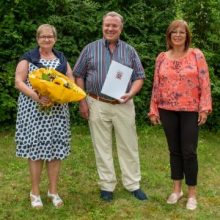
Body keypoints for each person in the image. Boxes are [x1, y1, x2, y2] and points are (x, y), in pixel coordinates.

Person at [73, 11, 147, 202]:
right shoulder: (90, 49)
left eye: (114, 26)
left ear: (121, 28)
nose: (110, 28)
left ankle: (133, 184)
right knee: (101, 146)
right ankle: (107, 185)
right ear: (102, 26)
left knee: (129, 145)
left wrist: (131, 93)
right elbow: (78, 74)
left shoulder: (130, 51)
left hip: (123, 105)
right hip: (96, 103)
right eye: (107, 25)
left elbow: (139, 77)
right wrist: (82, 101)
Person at [148, 20, 212, 210]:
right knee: (174, 150)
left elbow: (205, 82)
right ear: (169, 36)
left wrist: (204, 108)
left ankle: (192, 193)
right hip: (167, 109)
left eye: (181, 32)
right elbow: (156, 84)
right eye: (174, 32)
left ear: (186, 36)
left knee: (189, 152)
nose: (177, 35)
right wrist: (154, 108)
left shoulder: (196, 55)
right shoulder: (161, 57)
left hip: (190, 110)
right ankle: (177, 190)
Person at [15, 24, 74, 208]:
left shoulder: (61, 59)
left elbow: (70, 81)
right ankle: (35, 192)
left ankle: (53, 191)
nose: (47, 39)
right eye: (43, 37)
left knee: (55, 151)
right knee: (36, 152)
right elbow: (19, 81)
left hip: (56, 111)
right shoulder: (29, 58)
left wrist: (58, 96)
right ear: (37, 39)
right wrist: (37, 97)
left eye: (50, 36)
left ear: (55, 39)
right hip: (33, 110)